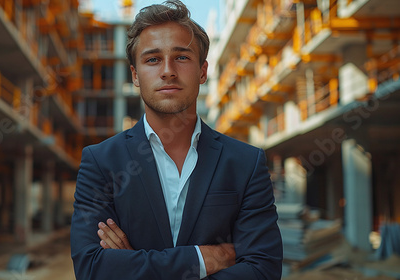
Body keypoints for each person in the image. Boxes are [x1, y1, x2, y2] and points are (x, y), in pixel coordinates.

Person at [70, 1, 283, 279]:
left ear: (203, 71)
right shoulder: (100, 162)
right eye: (152, 59)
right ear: (135, 75)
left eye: (181, 57)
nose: (168, 70)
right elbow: (92, 268)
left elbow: (263, 270)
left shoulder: (246, 163)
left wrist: (134, 264)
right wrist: (203, 258)